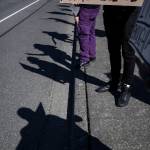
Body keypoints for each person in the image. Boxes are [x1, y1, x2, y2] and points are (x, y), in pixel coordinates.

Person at [96, 5, 139, 107]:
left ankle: (127, 86)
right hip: (110, 9)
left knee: (127, 50)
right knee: (113, 49)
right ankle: (114, 81)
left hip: (129, 11)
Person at [72, 3, 100, 68]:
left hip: (86, 8)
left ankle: (84, 59)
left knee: (83, 34)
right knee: (91, 31)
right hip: (95, 7)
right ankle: (91, 54)